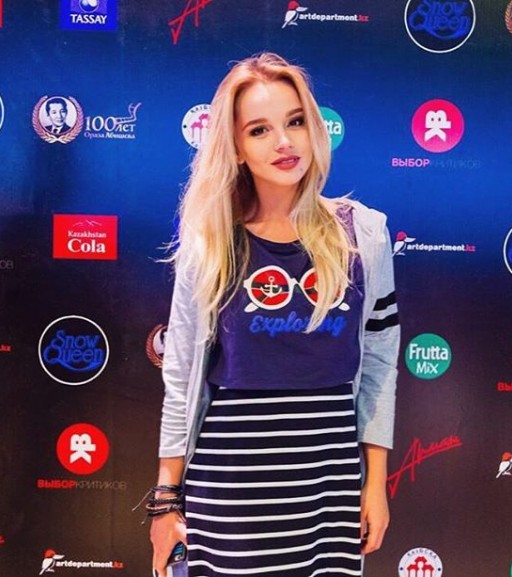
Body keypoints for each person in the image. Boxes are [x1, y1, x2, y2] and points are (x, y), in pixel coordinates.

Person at [149, 52, 400, 577]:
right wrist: (166, 501)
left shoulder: (364, 234)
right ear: (236, 148)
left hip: (328, 490)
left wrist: (374, 484)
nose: (284, 142)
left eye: (295, 121)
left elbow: (379, 365)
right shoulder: (212, 242)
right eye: (259, 130)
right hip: (232, 495)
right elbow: (181, 375)